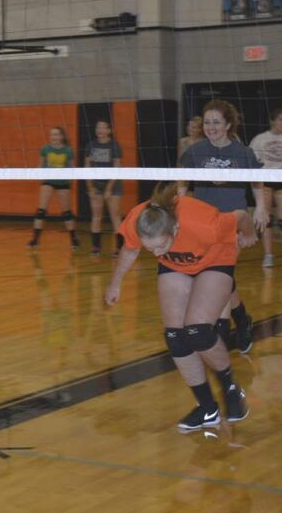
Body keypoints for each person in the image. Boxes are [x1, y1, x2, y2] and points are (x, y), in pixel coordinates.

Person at [105, 184, 256, 431]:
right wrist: (115, 284)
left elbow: (241, 215)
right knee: (175, 337)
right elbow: (130, 250)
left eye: (160, 246)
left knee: (197, 331)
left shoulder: (206, 225)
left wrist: (248, 233)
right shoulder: (139, 221)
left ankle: (230, 389)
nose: (155, 253)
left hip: (215, 258)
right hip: (176, 264)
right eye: (150, 248)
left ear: (175, 228)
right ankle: (207, 408)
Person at [178, 100, 269, 353]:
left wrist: (260, 207)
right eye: (207, 122)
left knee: (221, 274)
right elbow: (182, 179)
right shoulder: (196, 151)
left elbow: (257, 181)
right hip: (204, 222)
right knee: (213, 274)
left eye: (216, 122)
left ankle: (220, 331)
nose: (211, 127)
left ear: (228, 125)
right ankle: (242, 318)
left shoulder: (243, 153)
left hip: (234, 220)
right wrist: (180, 203)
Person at [249, 108, 282, 267]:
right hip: (265, 179)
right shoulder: (260, 139)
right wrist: (256, 186)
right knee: (266, 220)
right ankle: (268, 255)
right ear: (272, 121)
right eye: (280, 120)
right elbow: (253, 162)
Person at [29, 127, 78, 249]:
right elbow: (40, 165)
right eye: (52, 135)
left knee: (67, 212)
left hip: (63, 183)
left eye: (56, 135)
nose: (53, 137)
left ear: (62, 136)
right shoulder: (45, 149)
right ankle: (35, 239)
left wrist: (70, 180)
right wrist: (38, 174)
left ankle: (73, 239)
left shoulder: (68, 150)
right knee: (41, 210)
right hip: (48, 181)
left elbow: (73, 168)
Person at [85, 119, 123, 256]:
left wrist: (109, 188)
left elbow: (117, 167)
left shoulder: (114, 146)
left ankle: (119, 247)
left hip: (113, 183)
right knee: (96, 215)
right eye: (97, 127)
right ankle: (96, 246)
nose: (99, 130)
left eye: (103, 128)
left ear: (109, 130)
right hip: (96, 184)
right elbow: (87, 167)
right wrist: (90, 187)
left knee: (115, 216)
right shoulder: (90, 146)